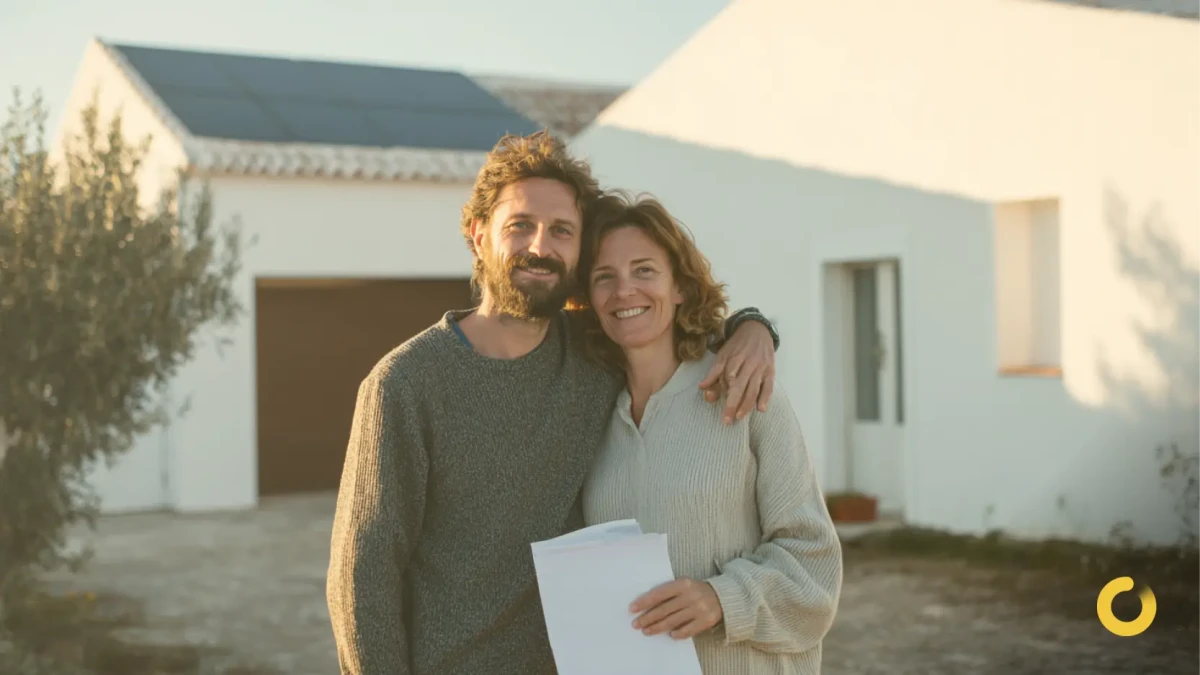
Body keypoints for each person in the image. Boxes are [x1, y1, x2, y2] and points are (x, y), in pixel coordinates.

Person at [325, 131, 782, 675]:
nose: (541, 246)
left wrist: (752, 328)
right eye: (520, 225)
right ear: (478, 236)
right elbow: (362, 581)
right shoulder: (405, 385)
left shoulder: (595, 353)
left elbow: (665, 319)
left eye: (562, 231)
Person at [576, 192, 843, 674]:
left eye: (644, 270)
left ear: (679, 286)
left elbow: (814, 565)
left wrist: (722, 598)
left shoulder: (746, 394)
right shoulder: (587, 418)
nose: (624, 292)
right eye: (604, 278)